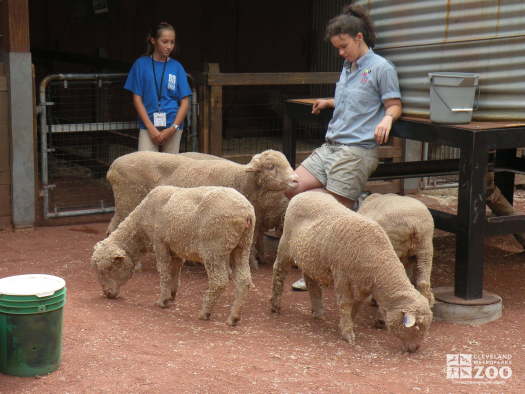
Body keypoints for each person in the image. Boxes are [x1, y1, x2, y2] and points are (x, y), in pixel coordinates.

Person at [288, 4, 402, 290]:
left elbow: (393, 104)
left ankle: (315, 270)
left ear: (359, 37)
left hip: (356, 150)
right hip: (331, 146)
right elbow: (355, 99)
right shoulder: (347, 67)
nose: (340, 52)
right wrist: (330, 101)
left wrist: (388, 119)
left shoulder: (381, 68)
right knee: (290, 186)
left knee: (330, 215)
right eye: (337, 48)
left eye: (343, 46)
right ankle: (355, 201)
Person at [124, 22, 192, 153]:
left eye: (172, 42)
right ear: (153, 40)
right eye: (165, 42)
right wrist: (151, 128)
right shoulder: (141, 64)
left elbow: (185, 101)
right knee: (146, 166)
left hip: (173, 125)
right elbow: (137, 99)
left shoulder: (177, 67)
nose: (169, 46)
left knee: (170, 168)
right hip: (148, 125)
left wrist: (173, 128)